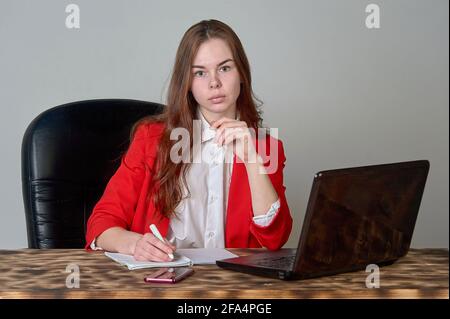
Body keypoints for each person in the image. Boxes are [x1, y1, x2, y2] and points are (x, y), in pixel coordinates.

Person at [85, 19, 292, 262]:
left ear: (242, 74)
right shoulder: (150, 139)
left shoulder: (267, 148)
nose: (214, 82)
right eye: (200, 73)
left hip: (232, 284)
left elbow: (275, 239)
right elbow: (101, 223)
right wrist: (135, 244)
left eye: (225, 68)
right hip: (162, 279)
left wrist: (252, 160)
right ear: (187, 83)